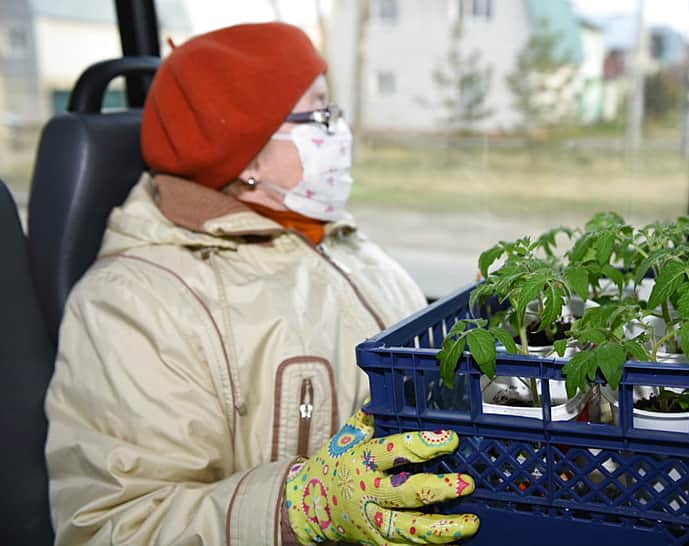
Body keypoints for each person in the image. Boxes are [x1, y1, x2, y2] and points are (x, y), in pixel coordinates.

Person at [45, 22, 479, 545]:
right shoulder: (132, 304)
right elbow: (114, 527)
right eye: (319, 114)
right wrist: (297, 508)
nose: (337, 130)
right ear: (248, 154)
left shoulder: (340, 244)